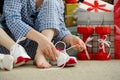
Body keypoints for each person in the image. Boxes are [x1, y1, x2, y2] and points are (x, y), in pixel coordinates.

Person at [1, 0, 86, 68]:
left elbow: (60, 29)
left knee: (52, 2)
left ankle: (40, 54)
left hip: (36, 48)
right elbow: (13, 20)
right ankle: (16, 50)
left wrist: (71, 38)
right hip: (10, 41)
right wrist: (41, 39)